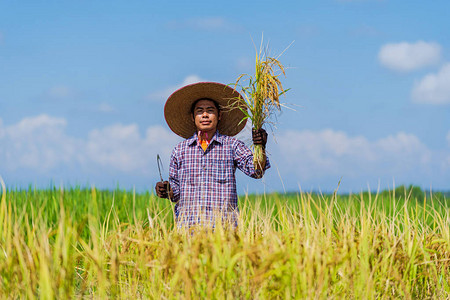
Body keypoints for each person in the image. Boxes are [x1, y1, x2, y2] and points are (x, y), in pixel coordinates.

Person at [155, 82, 269, 228]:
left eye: (210, 110)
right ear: (192, 117)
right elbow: (175, 193)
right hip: (188, 228)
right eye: (199, 111)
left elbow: (256, 171)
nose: (205, 115)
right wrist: (166, 189)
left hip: (224, 228)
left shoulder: (231, 146)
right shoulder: (180, 151)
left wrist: (261, 146)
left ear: (219, 116)